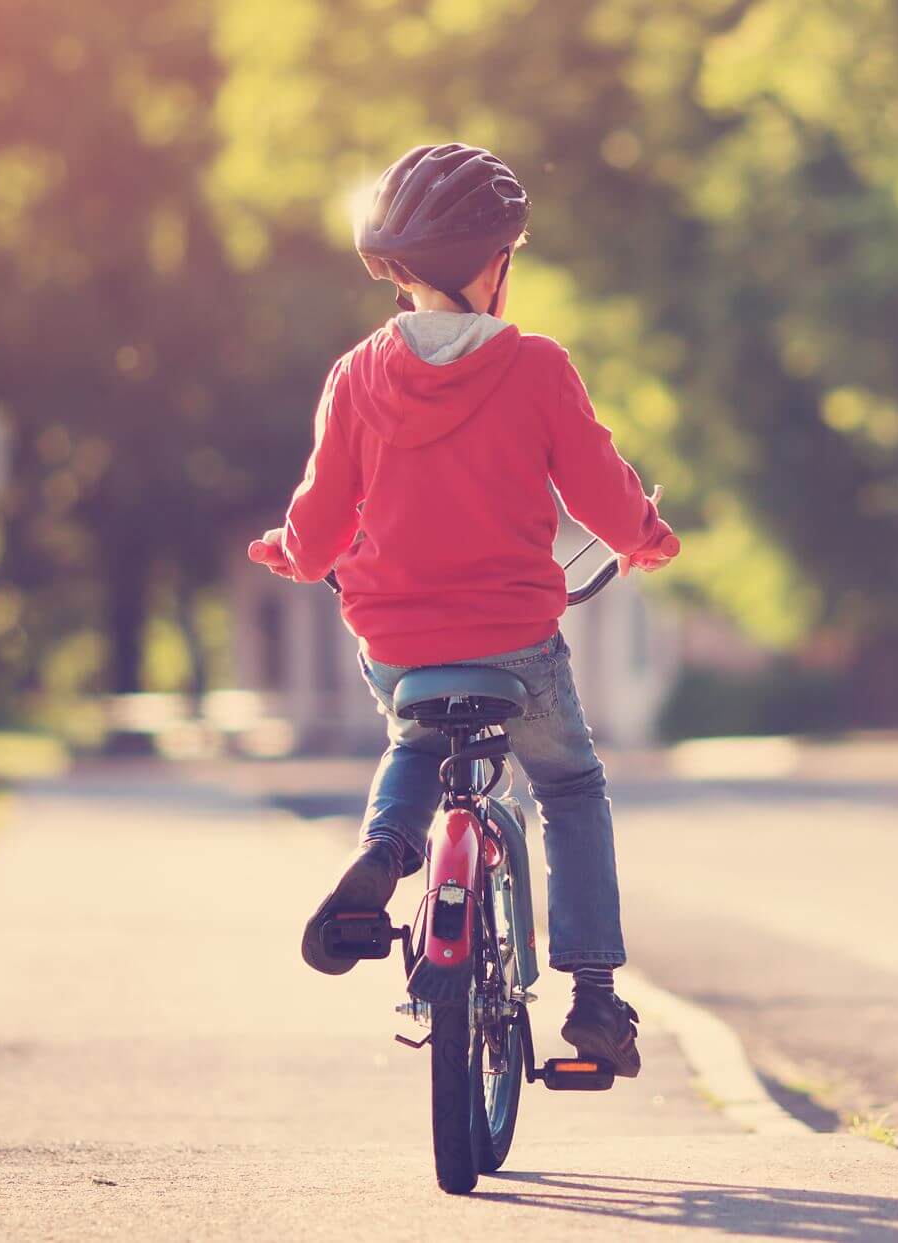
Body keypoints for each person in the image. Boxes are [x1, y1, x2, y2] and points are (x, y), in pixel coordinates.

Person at [246, 143, 675, 1076]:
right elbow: (600, 491)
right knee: (569, 789)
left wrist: (292, 553)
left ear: (396, 270)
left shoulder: (356, 375)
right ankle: (594, 996)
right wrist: (643, 534)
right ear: (496, 263)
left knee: (414, 739)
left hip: (400, 642)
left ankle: (388, 850)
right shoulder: (536, 367)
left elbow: (318, 522)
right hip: (514, 643)